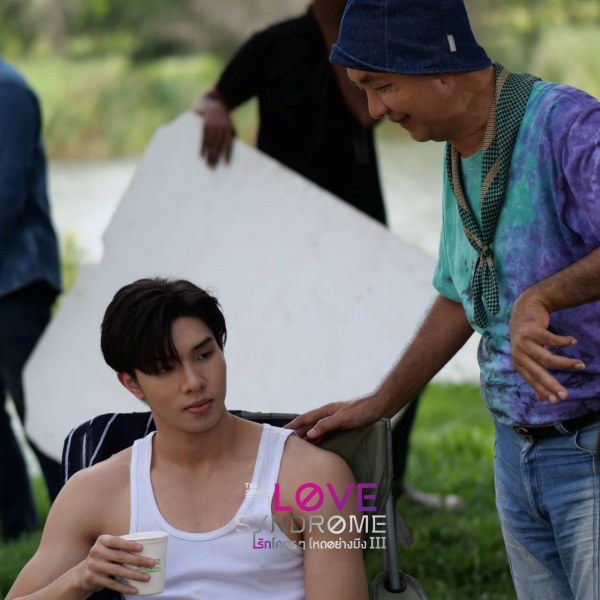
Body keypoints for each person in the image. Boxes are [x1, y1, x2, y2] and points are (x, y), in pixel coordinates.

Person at [287, 0, 600, 598]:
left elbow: (524, 294)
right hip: (516, 450)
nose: (374, 110)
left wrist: (541, 296)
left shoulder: (566, 124)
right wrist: (380, 404)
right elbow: (461, 296)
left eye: (381, 86)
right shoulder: (462, 147)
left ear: (439, 68)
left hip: (588, 447)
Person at [193, 0, 456, 508]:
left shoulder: (370, 43)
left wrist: (344, 31)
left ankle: (388, 483)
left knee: (406, 340)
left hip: (364, 235)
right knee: (300, 358)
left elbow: (365, 114)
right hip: (289, 241)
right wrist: (214, 109)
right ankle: (295, 488)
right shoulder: (272, 45)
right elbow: (213, 97)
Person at [7, 277, 368, 599]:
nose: (194, 381)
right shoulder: (98, 491)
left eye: (204, 355)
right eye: (165, 368)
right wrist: (78, 580)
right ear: (132, 384)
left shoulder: (311, 476)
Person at [0, 58, 62, 540]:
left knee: (39, 408)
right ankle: (15, 527)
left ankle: (77, 516)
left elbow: (6, 193)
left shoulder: (8, 91)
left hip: (17, 281)